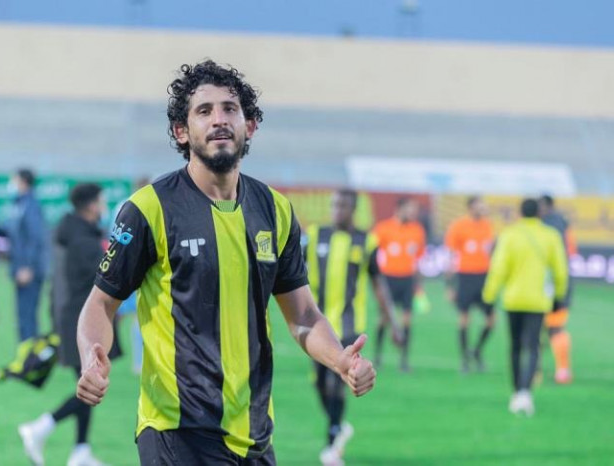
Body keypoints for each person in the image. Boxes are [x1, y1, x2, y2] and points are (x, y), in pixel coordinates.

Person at [75, 60, 376, 466]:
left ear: (249, 125)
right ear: (182, 131)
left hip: (254, 434)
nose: (219, 119)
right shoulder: (149, 209)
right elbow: (100, 303)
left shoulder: (275, 210)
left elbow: (303, 315)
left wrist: (340, 359)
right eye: (204, 110)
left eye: (230, 109)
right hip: (176, 431)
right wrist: (91, 358)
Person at [19, 183, 117, 466]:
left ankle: (81, 450)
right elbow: (103, 278)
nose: (103, 206)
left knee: (89, 381)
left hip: (76, 316)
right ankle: (41, 427)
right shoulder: (81, 240)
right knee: (91, 384)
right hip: (81, 321)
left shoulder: (77, 233)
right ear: (91, 205)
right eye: (101, 201)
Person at [304, 189, 402, 466]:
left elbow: (379, 284)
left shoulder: (365, 242)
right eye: (334, 205)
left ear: (354, 209)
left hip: (349, 326)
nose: (337, 210)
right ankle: (338, 425)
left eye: (343, 206)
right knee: (319, 384)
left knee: (337, 382)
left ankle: (332, 440)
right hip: (317, 326)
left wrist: (393, 323)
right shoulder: (315, 236)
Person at [482, 199, 568, 416]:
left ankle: (516, 391)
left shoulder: (510, 235)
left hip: (513, 299)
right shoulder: (550, 236)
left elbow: (498, 268)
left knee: (515, 346)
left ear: (520, 213)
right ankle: (525, 392)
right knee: (534, 346)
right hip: (538, 301)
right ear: (539, 213)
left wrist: (489, 296)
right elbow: (560, 269)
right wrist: (559, 295)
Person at [372, 197, 426, 372]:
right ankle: (377, 357)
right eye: (410, 209)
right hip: (388, 279)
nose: (413, 213)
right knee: (383, 318)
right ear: (399, 209)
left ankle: (404, 360)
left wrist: (419, 285)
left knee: (407, 319)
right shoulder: (383, 228)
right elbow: (372, 253)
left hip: (407, 279)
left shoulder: (417, 230)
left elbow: (418, 258)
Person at [444, 196, 495, 373]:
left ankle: (477, 350)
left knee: (491, 320)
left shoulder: (488, 225)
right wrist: (450, 285)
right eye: (479, 206)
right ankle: (465, 359)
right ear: (471, 207)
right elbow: (451, 256)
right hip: (465, 277)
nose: (482, 209)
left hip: (484, 278)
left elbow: (491, 251)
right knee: (464, 318)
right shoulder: (459, 226)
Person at [111, 176, 150, 375]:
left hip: (121, 267)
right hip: (138, 268)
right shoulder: (145, 207)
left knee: (116, 314)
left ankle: (110, 354)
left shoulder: (121, 206)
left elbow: (112, 237)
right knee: (137, 316)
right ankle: (138, 360)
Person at [538, 194, 576, 384]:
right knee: (556, 328)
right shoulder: (564, 223)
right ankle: (563, 371)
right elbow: (571, 251)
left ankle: (535, 370)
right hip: (563, 282)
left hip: (546, 283)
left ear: (547, 206)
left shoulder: (545, 226)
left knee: (539, 328)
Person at [7, 168, 46, 341]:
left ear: (22, 181)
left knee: (28, 317)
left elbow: (34, 238)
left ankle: (30, 355)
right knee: (23, 317)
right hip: (20, 268)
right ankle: (25, 353)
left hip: (29, 271)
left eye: (14, 180)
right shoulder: (19, 204)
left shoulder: (30, 205)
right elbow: (12, 232)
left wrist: (27, 267)